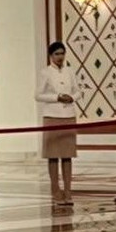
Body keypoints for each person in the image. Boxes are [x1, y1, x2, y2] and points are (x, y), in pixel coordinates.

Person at [36, 40, 79, 205]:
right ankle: (55, 189)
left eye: (62, 53)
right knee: (53, 156)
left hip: (69, 115)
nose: (60, 57)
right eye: (57, 54)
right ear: (51, 56)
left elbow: (78, 91)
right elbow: (38, 95)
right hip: (52, 116)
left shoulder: (70, 71)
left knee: (67, 156)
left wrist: (72, 97)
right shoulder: (45, 73)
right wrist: (57, 97)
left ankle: (68, 190)